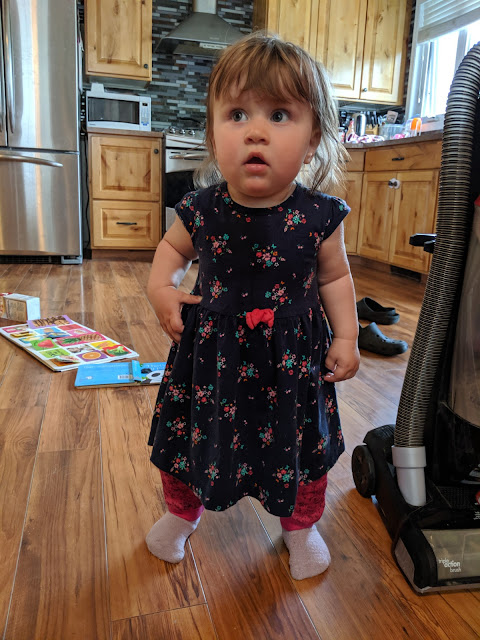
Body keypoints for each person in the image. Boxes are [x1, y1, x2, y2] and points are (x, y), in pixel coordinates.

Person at [146, 32, 360, 580]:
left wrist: (347, 336)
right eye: (237, 114)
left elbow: (335, 276)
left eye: (280, 115)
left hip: (293, 363)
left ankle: (300, 527)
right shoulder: (200, 209)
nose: (256, 131)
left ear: (313, 139)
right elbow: (171, 252)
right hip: (211, 360)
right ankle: (181, 513)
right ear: (213, 133)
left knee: (302, 445)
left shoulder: (320, 216)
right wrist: (162, 288)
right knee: (190, 435)